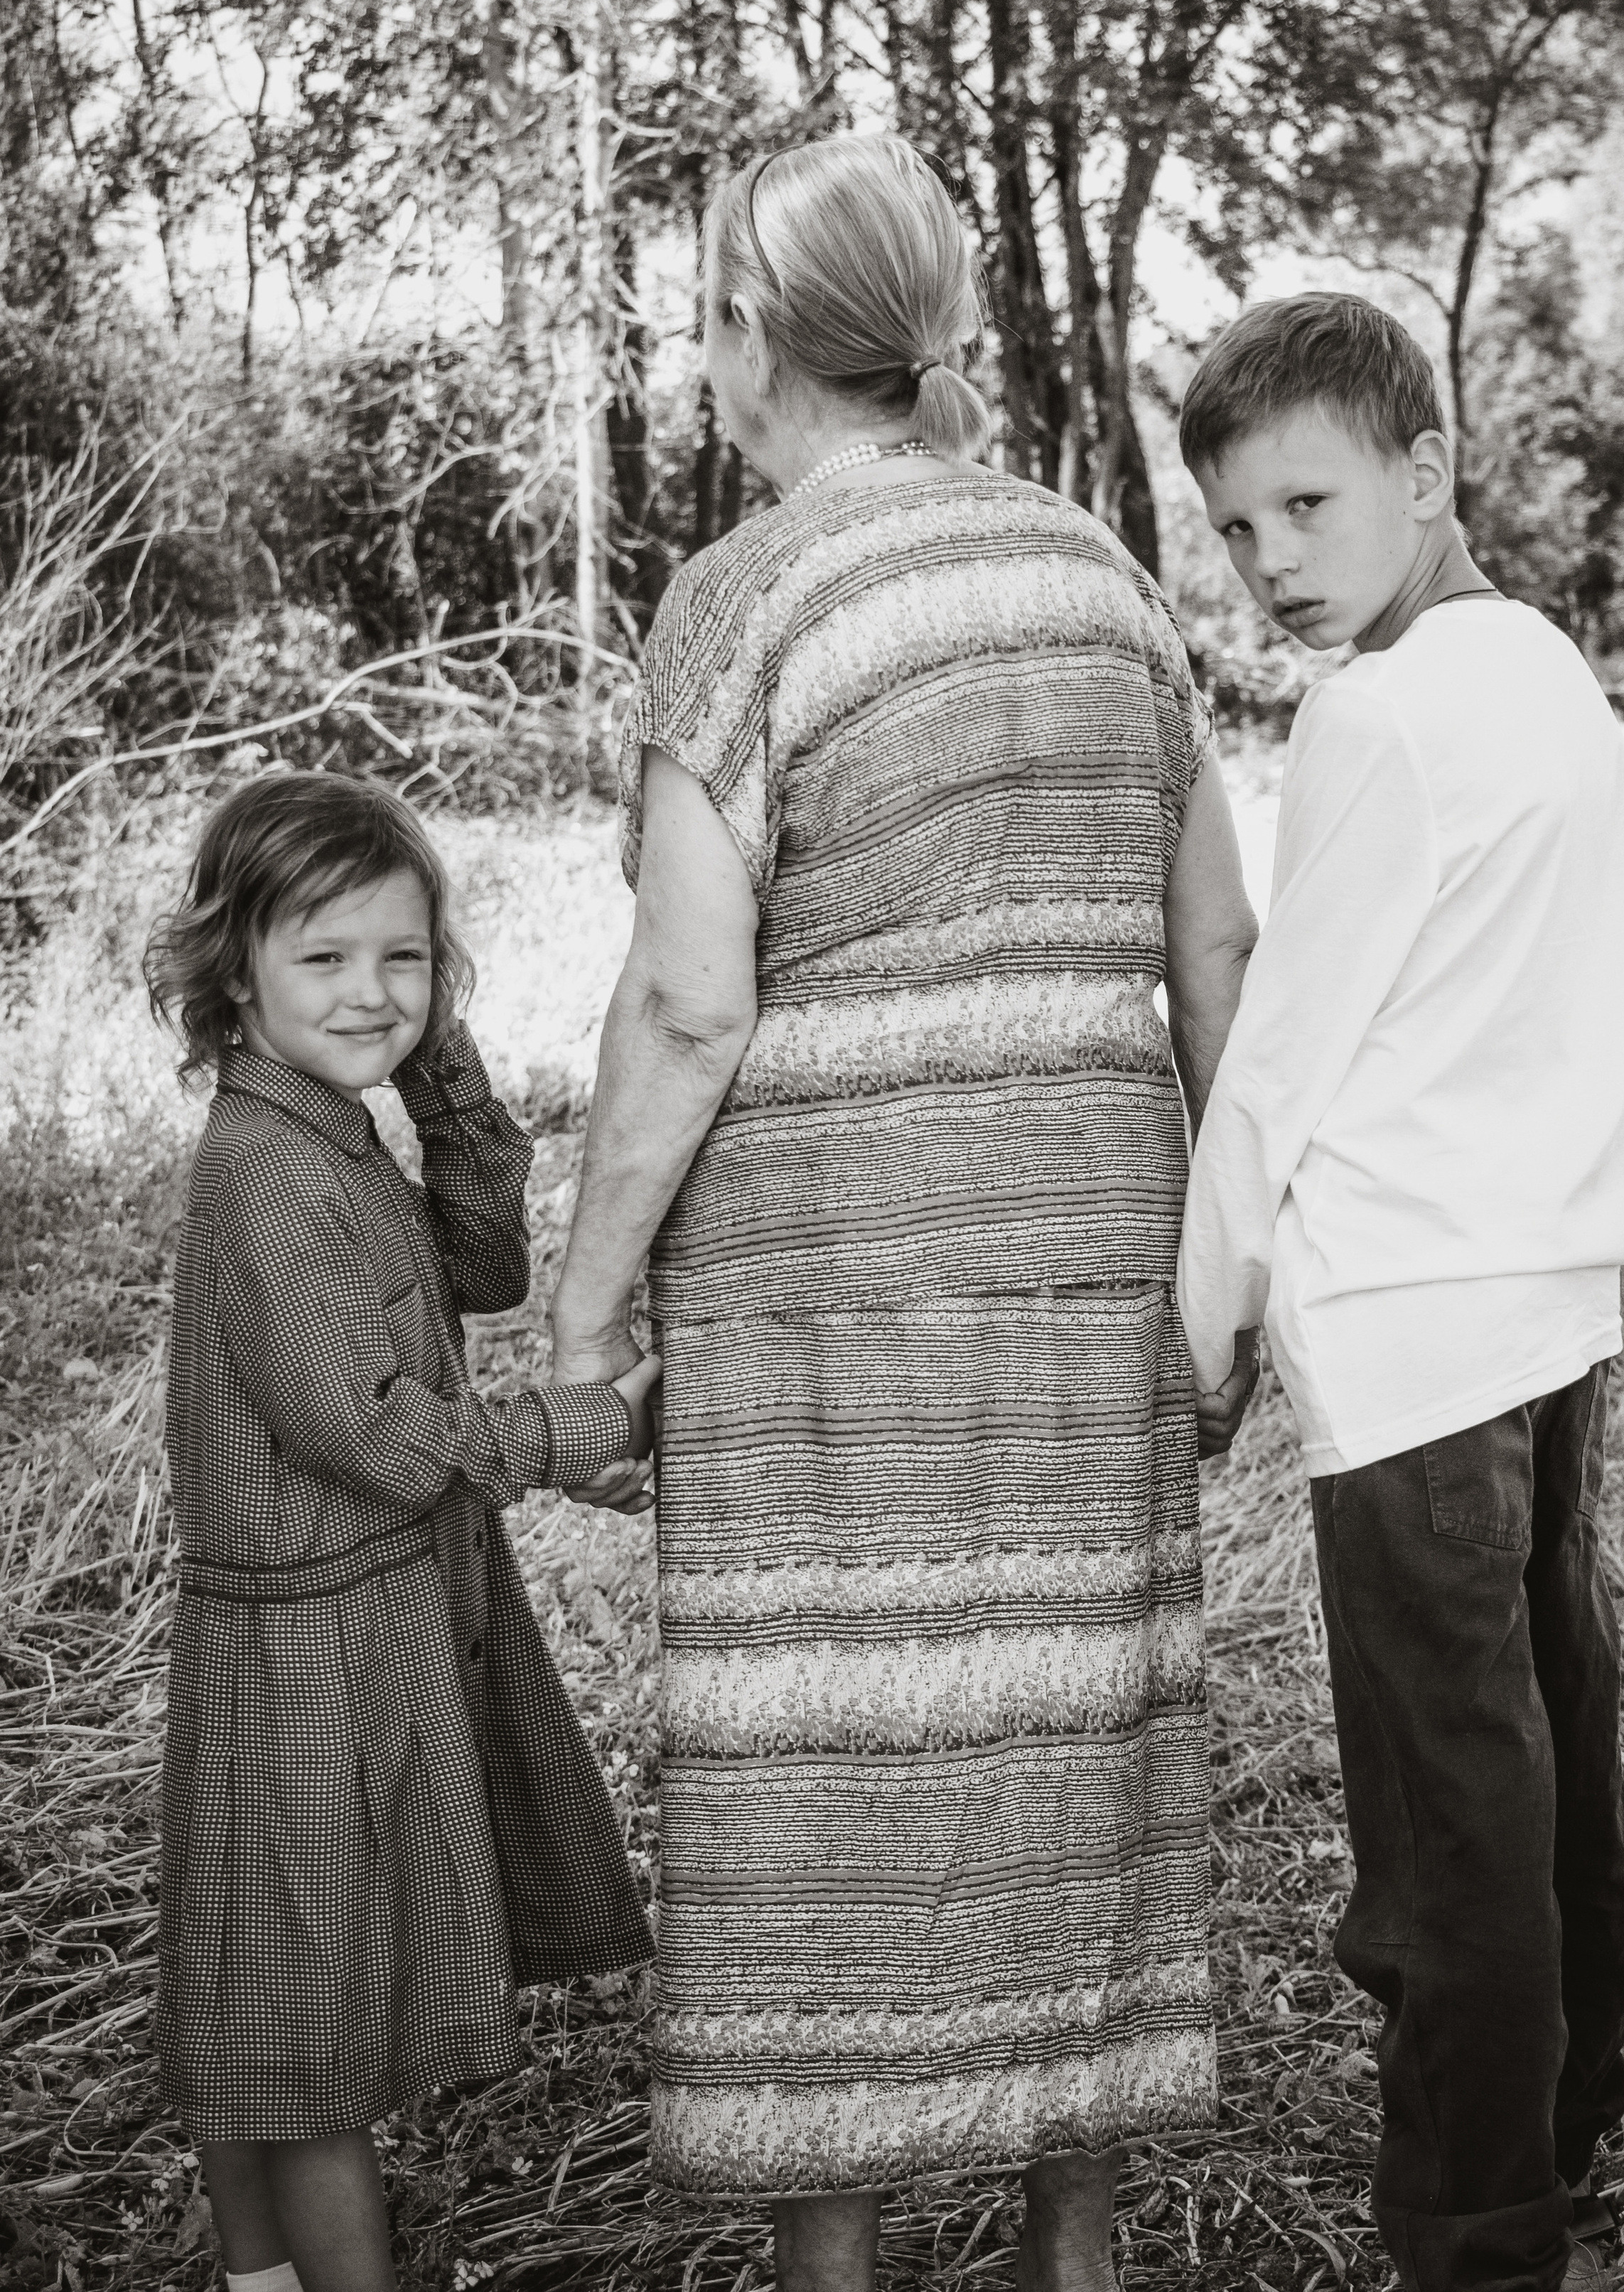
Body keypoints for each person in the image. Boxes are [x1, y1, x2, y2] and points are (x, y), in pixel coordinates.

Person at [551, 131, 1259, 2292]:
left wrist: (581, 1331)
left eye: (706, 314)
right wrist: (1225, 1267)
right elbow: (1218, 951)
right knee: (1073, 1729)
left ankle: (837, 2267)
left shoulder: (747, 598)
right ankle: (1074, 2246)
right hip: (1085, 1268)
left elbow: (686, 999)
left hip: (825, 1308)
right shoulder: (1099, 579)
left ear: (753, 340)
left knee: (822, 1763)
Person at [1174, 294, 1624, 2292]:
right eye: (1235, 530)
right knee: (1552, 1736)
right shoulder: (1544, 669)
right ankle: (1567, 2116)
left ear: (1427, 474)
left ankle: (1475, 2229)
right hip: (1550, 1304)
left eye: (1305, 504)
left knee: (1450, 1814)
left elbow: (1279, 1056)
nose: (1271, 562)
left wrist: (1201, 1329)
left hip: (1418, 1344)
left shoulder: (1374, 716)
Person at [142, 771, 654, 2292]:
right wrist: (568, 1434)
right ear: (234, 974)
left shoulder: (335, 1131)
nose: (371, 993)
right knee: (304, 2031)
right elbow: (364, 1427)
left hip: (373, 1610)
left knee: (266, 1999)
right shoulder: (263, 1173)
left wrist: (438, 1078)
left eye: (405, 959)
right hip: (303, 1642)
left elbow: (483, 1266)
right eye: (325, 959)